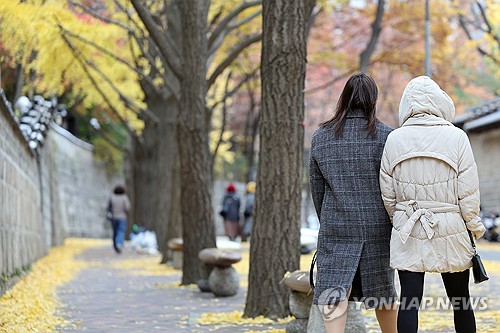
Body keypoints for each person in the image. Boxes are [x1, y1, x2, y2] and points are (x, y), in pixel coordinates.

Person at [380, 76, 486, 333]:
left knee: (409, 301)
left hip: (409, 227)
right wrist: (473, 224)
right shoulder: (457, 137)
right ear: (440, 101)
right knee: (461, 301)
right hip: (451, 225)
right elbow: (468, 190)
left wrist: (401, 219)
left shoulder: (395, 139)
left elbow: (387, 191)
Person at [309, 73, 398, 333]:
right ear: (373, 100)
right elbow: (393, 188)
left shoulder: (321, 137)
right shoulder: (386, 137)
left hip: (337, 225)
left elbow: (317, 190)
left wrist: (329, 218)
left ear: (344, 98)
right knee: (383, 291)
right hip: (378, 227)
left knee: (334, 289)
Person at [108, 185, 131, 253]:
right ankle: (119, 244)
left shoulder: (112, 197)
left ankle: (115, 246)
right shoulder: (124, 197)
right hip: (122, 217)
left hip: (114, 217)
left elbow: (108, 207)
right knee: (121, 231)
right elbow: (127, 207)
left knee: (115, 232)